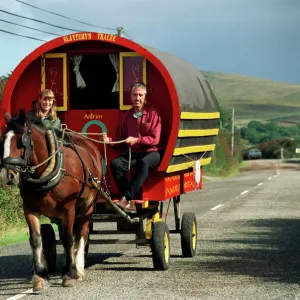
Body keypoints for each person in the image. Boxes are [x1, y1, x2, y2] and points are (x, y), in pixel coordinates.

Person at [100, 82, 162, 211]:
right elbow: (120, 140)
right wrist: (109, 140)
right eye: (135, 95)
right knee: (115, 164)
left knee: (144, 163)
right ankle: (128, 199)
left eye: (140, 95)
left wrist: (137, 140)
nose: (137, 98)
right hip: (133, 153)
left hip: (151, 152)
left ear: (145, 97)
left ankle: (126, 198)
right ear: (130, 97)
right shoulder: (126, 116)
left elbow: (155, 139)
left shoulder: (153, 113)